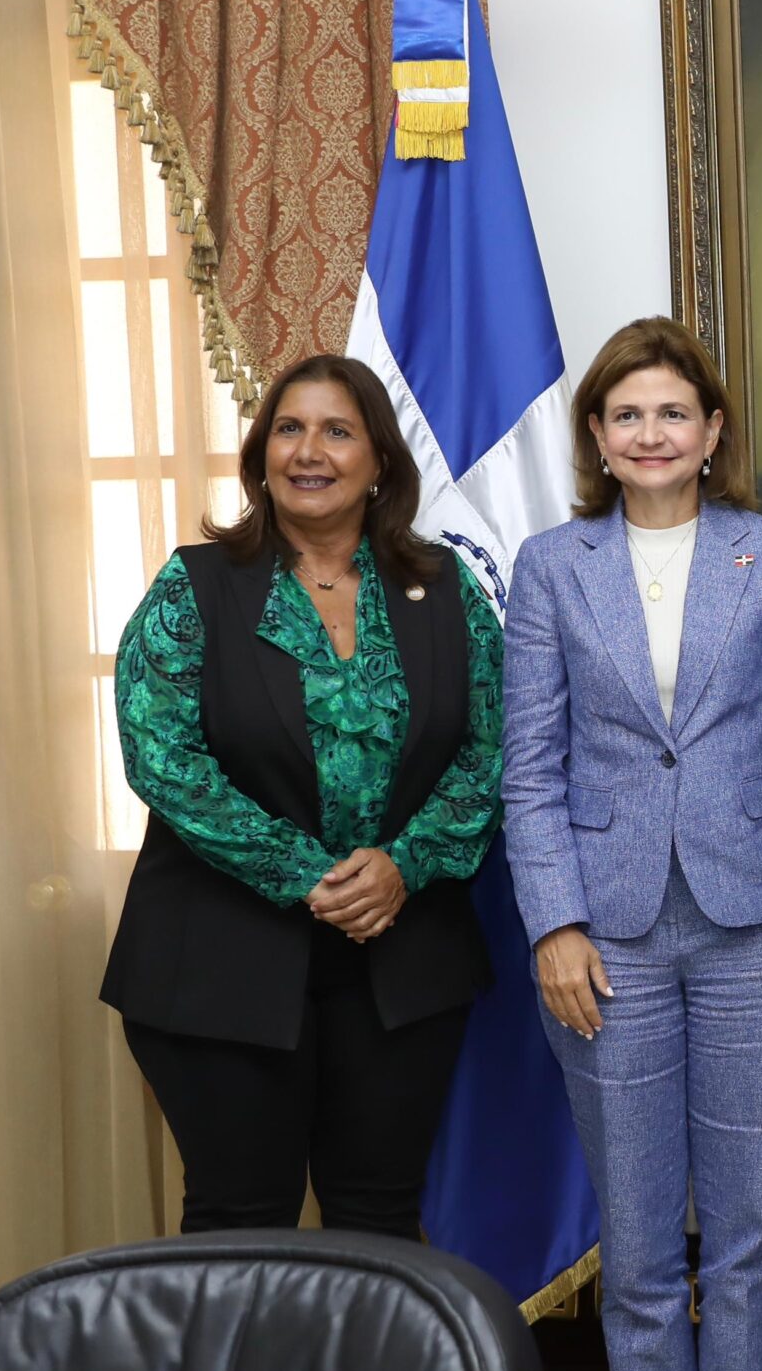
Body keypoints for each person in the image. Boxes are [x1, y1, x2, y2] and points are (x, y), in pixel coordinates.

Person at [503, 318, 762, 1371]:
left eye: (672, 412)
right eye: (626, 414)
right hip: (607, 941)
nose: (650, 433)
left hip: (760, 927)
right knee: (643, 1246)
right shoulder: (552, 567)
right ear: (597, 440)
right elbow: (530, 767)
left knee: (746, 1239)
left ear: (710, 433)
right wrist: (554, 924)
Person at [102, 355, 502, 1237]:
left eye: (336, 430)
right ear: (260, 454)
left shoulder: (446, 592)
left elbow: (492, 754)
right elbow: (162, 756)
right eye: (288, 428)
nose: (307, 451)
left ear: (380, 463)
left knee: (380, 1220)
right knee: (240, 1221)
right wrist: (308, 875)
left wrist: (405, 863)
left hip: (400, 965)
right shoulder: (195, 586)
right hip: (219, 964)